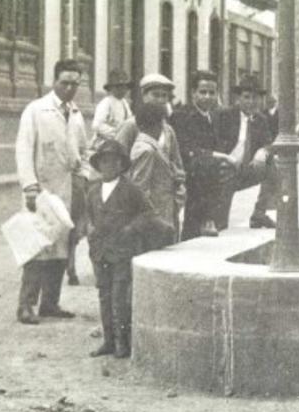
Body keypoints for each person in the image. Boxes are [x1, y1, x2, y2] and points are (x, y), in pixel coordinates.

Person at [14, 59, 90, 325]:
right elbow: (23, 150)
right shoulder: (36, 110)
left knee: (63, 248)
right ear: (54, 81)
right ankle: (26, 305)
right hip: (42, 191)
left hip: (69, 189)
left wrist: (85, 176)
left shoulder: (77, 114)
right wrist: (30, 186)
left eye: (75, 84)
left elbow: (83, 150)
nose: (69, 88)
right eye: (64, 82)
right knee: (37, 248)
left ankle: (50, 303)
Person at [85, 139, 172, 359]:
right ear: (99, 164)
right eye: (104, 161)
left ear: (121, 165)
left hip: (122, 251)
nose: (108, 166)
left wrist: (130, 229)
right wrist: (90, 231)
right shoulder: (93, 191)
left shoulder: (130, 189)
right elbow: (89, 217)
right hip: (100, 251)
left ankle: (122, 342)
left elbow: (148, 213)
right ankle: (108, 341)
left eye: (114, 162)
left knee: (119, 297)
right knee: (104, 296)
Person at [114, 73, 186, 232]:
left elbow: (177, 163)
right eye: (155, 95)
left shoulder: (168, 130)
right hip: (142, 206)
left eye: (164, 96)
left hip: (167, 204)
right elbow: (117, 162)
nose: (160, 100)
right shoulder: (132, 126)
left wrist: (178, 179)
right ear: (144, 96)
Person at [171, 71, 231, 239]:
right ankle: (206, 220)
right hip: (188, 168)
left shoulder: (215, 116)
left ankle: (214, 220)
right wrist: (217, 156)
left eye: (212, 93)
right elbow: (186, 149)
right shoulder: (182, 115)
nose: (208, 97)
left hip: (206, 168)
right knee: (206, 169)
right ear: (193, 93)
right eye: (203, 92)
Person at [216, 75, 277, 229]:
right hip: (224, 169)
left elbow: (269, 143)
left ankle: (259, 213)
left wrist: (263, 151)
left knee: (273, 166)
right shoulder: (225, 116)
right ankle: (219, 223)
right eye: (246, 97)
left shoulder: (261, 120)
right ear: (238, 98)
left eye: (255, 98)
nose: (251, 102)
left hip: (246, 170)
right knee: (220, 220)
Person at [129, 102, 180, 239]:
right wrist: (152, 219)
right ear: (155, 125)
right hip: (155, 216)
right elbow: (140, 188)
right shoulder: (146, 150)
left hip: (164, 210)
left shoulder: (151, 146)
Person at [90, 69, 134, 149]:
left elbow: (129, 121)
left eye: (125, 87)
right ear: (111, 88)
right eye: (119, 87)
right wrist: (115, 132)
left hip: (120, 142)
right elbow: (96, 125)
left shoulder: (125, 103)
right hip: (105, 142)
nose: (123, 90)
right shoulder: (106, 103)